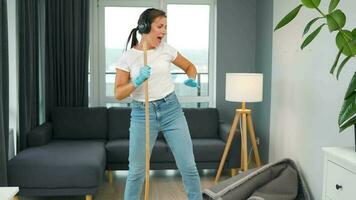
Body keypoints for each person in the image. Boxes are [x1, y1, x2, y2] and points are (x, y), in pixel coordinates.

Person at [114, 8, 202, 200]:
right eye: (160, 26)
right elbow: (118, 93)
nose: (164, 31)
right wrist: (136, 81)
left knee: (188, 167)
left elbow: (189, 66)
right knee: (136, 172)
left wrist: (192, 77)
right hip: (142, 113)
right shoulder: (128, 57)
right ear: (145, 27)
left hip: (172, 110)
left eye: (166, 27)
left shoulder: (166, 50)